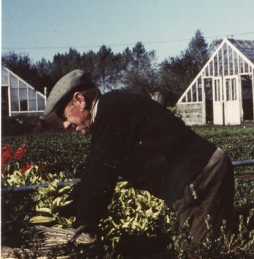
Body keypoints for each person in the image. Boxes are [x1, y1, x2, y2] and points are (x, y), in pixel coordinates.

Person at [44, 69, 235, 244]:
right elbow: (92, 171)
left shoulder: (111, 113)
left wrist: (81, 227)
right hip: (193, 176)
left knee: (198, 253)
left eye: (64, 116)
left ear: (80, 100)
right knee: (193, 247)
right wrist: (66, 210)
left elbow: (102, 178)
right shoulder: (109, 111)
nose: (65, 125)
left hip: (201, 174)